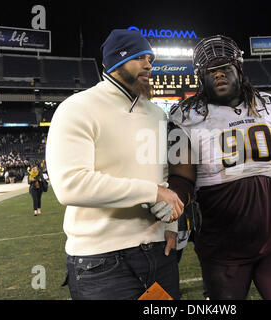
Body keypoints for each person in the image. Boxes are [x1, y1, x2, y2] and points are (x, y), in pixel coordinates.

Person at [167, 35, 271, 300]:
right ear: (201, 78)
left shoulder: (268, 106)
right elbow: (181, 178)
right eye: (212, 72)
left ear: (239, 70)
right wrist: (170, 209)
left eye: (225, 70)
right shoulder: (187, 117)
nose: (219, 76)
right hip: (221, 247)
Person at [45, 29, 184, 300]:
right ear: (117, 61)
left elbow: (164, 175)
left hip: (158, 254)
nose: (149, 65)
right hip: (101, 261)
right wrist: (152, 192)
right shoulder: (77, 108)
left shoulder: (155, 113)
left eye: (151, 59)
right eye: (140, 58)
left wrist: (171, 225)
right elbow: (70, 185)